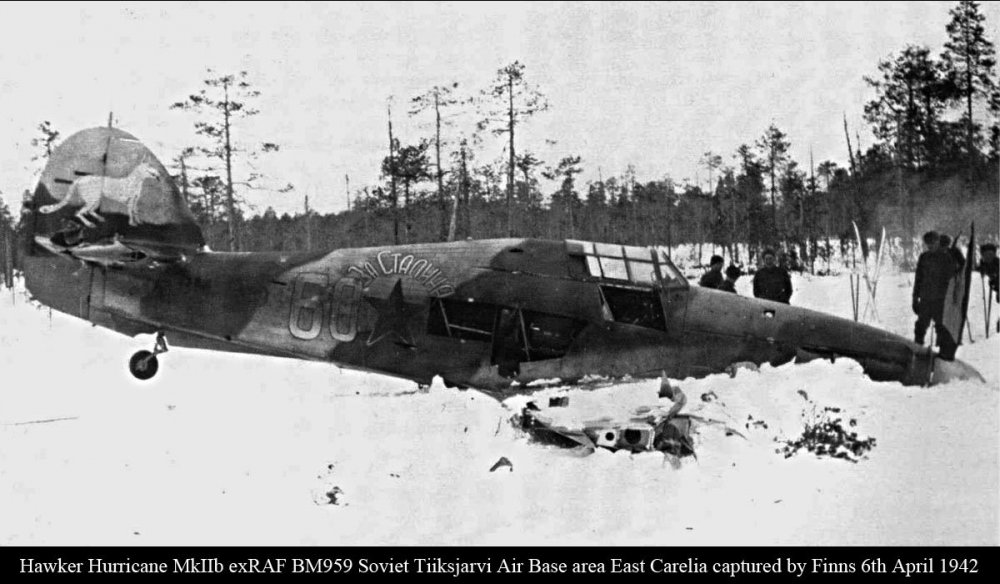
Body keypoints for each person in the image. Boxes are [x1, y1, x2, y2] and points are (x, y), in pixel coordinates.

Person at [913, 231, 957, 360]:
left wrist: (950, 300)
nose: (931, 245)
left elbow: (951, 280)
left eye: (933, 242)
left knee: (941, 328)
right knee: (921, 326)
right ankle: (917, 349)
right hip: (926, 298)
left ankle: (943, 355)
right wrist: (915, 298)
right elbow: (918, 278)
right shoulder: (924, 257)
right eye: (928, 243)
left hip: (941, 300)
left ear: (938, 242)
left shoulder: (946, 258)